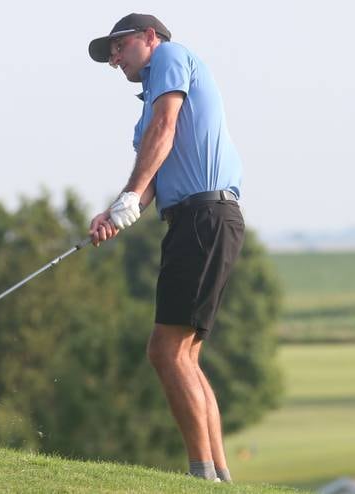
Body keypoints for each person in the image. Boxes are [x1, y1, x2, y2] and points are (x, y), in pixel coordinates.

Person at [86, 13, 245, 482]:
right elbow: (151, 174)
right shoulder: (148, 108)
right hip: (195, 220)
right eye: (110, 54)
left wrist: (131, 195)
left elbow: (166, 126)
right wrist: (117, 209)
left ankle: (201, 476)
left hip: (204, 216)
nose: (114, 59)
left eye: (119, 46)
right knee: (183, 355)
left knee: (166, 351)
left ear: (149, 38)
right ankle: (217, 475)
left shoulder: (173, 57)